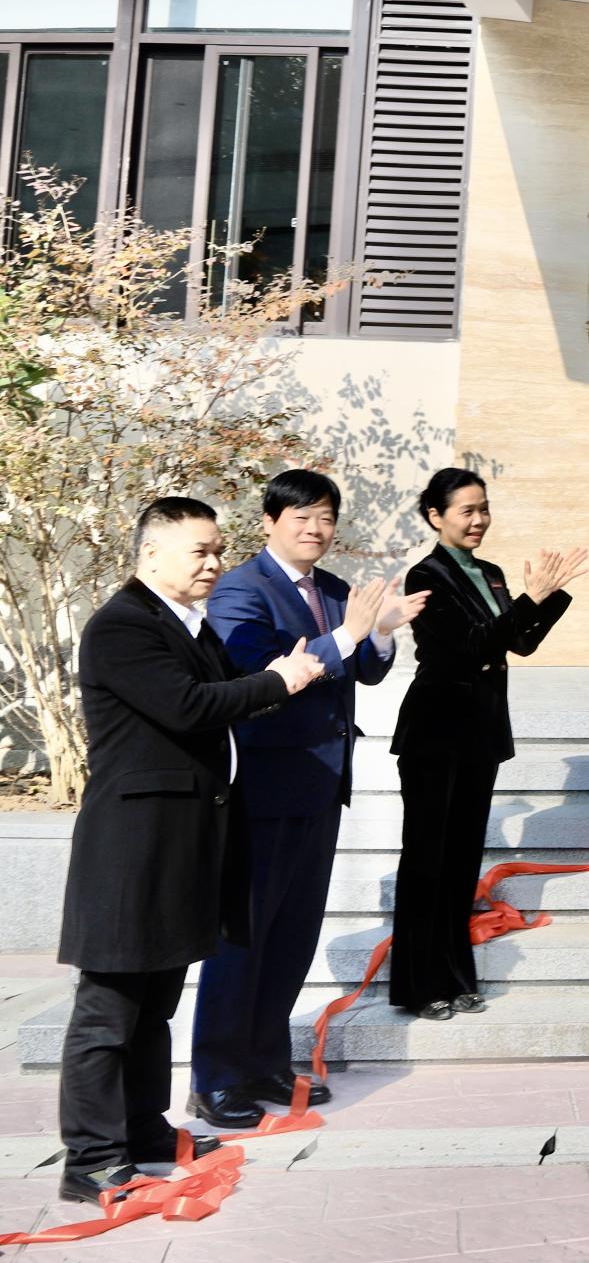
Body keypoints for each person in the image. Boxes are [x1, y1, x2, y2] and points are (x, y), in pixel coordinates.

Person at [54, 499, 321, 1205]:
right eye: (199, 551)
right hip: (131, 850)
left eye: (217, 551)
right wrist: (279, 681)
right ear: (151, 554)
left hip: (182, 847)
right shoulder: (122, 626)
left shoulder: (187, 625)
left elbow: (228, 694)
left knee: (154, 1006)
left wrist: (280, 677)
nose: (213, 563)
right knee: (109, 1013)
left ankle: (144, 1131)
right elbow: (189, 706)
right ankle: (91, 1159)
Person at [188, 471, 426, 1127]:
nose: (315, 529)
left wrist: (381, 632)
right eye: (301, 517)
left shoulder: (337, 590)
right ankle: (215, 1078)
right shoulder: (241, 588)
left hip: (321, 784)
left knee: (293, 935)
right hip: (260, 787)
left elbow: (367, 669)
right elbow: (256, 671)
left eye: (325, 517)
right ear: (270, 522)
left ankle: (266, 1060)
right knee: (244, 936)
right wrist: (348, 637)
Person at [386, 469, 587, 1019]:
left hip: (480, 731)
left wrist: (548, 598)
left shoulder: (491, 574)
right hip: (434, 732)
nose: (478, 520)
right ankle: (418, 986)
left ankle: (455, 977)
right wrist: (529, 598)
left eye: (484, 509)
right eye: (466, 511)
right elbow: (469, 646)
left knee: (461, 862)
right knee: (427, 861)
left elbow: (518, 641)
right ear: (436, 516)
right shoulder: (425, 576)